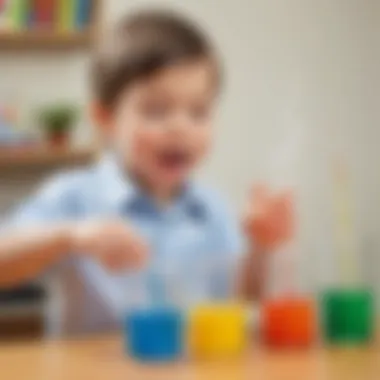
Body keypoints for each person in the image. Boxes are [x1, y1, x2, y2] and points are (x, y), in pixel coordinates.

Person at [0, 10, 292, 335]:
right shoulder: (75, 196)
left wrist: (261, 250)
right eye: (156, 110)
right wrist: (69, 237)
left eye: (199, 112)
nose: (180, 128)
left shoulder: (213, 209)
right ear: (106, 119)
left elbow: (240, 311)